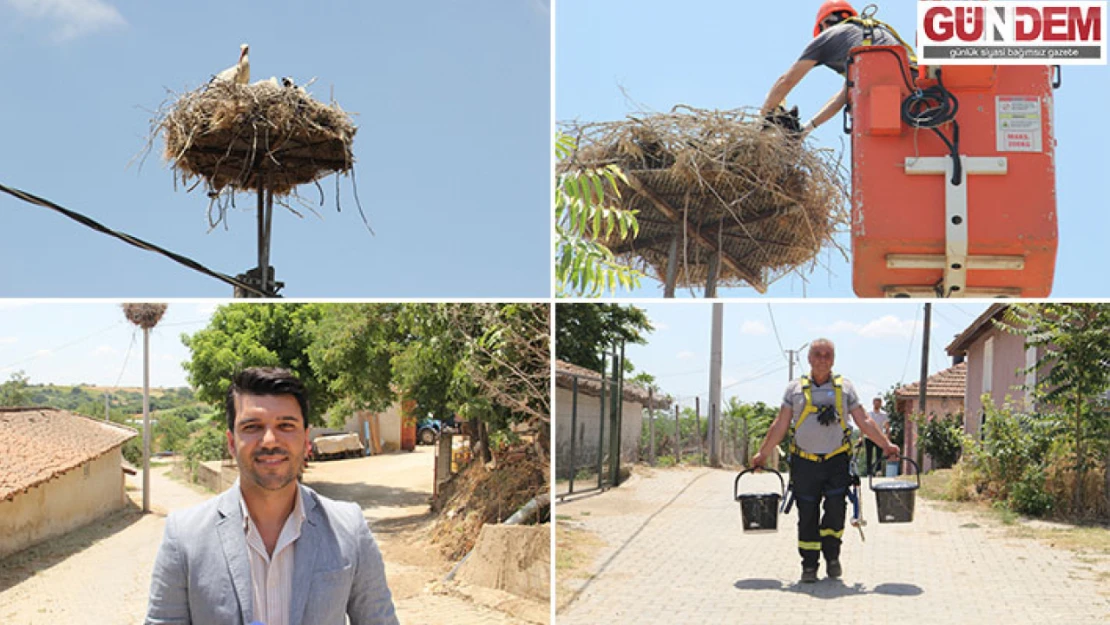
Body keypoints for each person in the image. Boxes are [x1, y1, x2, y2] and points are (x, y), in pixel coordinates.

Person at [146, 367, 398, 625]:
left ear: (306, 440)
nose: (269, 440)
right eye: (252, 426)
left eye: (286, 425)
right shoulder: (184, 536)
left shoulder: (348, 528)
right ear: (232, 443)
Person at [751, 339, 899, 583]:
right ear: (808, 359)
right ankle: (809, 566)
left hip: (836, 462)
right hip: (804, 463)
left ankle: (832, 558)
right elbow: (780, 424)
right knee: (806, 515)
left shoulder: (846, 389)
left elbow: (865, 421)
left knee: (835, 512)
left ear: (833, 360)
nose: (822, 358)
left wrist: (886, 444)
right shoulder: (794, 389)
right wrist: (763, 453)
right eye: (817, 354)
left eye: (827, 355)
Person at [758, 1, 902, 138]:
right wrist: (805, 130)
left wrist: (763, 118)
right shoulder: (870, 36)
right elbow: (842, 97)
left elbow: (786, 81)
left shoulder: (829, 36)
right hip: (909, 97)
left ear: (824, 25)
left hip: (883, 104)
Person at [865, 397, 891, 477]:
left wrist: (887, 438)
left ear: (881, 404)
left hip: (879, 436)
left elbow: (887, 427)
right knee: (869, 455)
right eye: (876, 403)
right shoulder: (869, 413)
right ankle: (869, 472)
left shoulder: (884, 414)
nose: (877, 404)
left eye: (879, 403)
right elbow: (864, 426)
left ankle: (878, 470)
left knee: (879, 455)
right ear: (873, 403)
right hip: (869, 436)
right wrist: (860, 437)